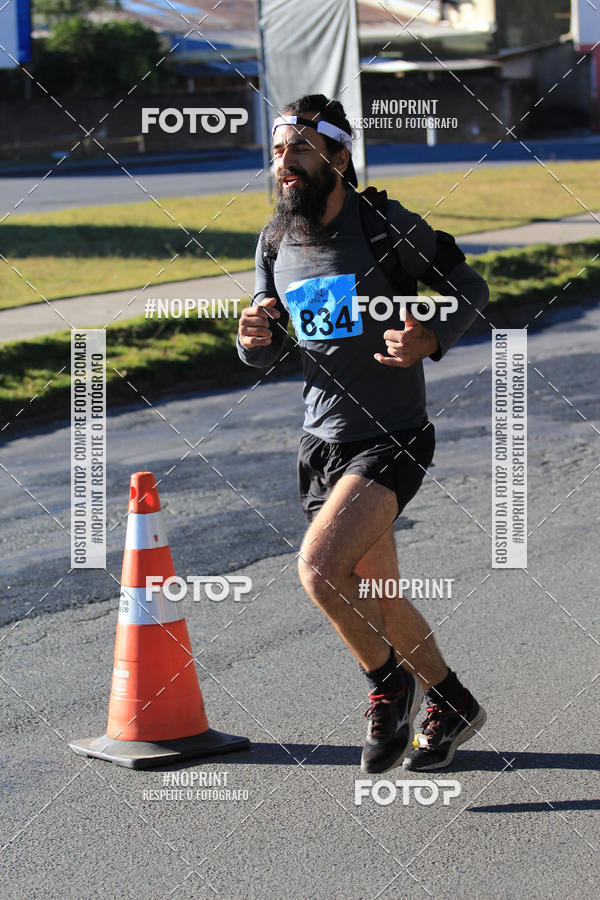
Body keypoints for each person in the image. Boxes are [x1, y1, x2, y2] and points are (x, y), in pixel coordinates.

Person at [237, 93, 489, 774]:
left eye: (298, 148)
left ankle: (387, 684)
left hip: (393, 435)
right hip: (321, 442)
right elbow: (268, 344)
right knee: (377, 593)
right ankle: (451, 700)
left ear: (338, 156)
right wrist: (252, 339)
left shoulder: (382, 226)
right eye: (278, 149)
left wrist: (431, 336)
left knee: (319, 570)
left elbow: (469, 284)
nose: (282, 161)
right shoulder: (273, 241)